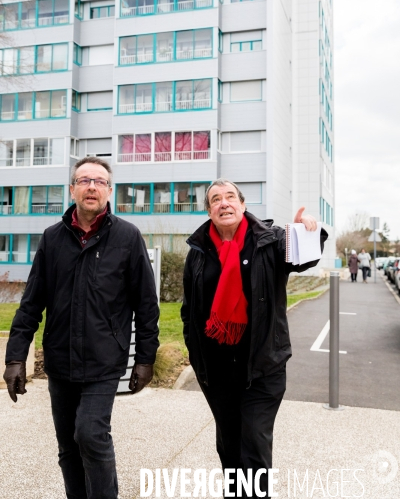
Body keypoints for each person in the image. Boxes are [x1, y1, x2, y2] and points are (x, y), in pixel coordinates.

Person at [3, 157, 159, 499]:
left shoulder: (128, 237)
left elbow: (147, 305)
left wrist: (145, 359)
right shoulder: (52, 238)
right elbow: (31, 303)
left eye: (99, 181)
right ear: (72, 188)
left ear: (109, 190)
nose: (92, 186)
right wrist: (15, 357)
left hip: (105, 360)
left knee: (90, 433)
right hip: (60, 360)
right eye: (84, 180)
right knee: (67, 446)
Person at [181, 179, 328, 498]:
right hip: (217, 372)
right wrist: (195, 353)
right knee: (230, 447)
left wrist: (307, 230)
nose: (224, 203)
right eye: (215, 199)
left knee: (254, 449)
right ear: (209, 211)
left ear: (243, 205)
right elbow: (188, 309)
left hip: (263, 368)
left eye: (230, 197)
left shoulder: (270, 241)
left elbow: (304, 258)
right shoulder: (198, 251)